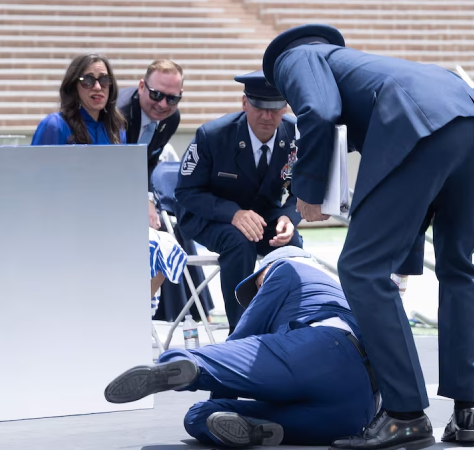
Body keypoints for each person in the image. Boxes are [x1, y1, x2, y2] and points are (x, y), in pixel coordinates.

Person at [262, 24, 474, 450]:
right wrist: (403, 259)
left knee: (359, 268)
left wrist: (307, 191)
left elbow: (317, 113)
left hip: (422, 124)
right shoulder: (361, 67)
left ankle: (405, 413)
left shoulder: (295, 58)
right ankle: (470, 412)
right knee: (458, 265)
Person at [104, 246, 378, 448]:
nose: (259, 292)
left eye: (259, 284)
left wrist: (217, 377)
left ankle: (185, 363)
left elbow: (244, 334)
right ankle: (258, 431)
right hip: (356, 410)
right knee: (199, 417)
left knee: (194, 364)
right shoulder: (346, 294)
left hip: (318, 349)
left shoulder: (288, 268)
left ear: (270, 268)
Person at [175, 70, 302, 334]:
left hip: (261, 213)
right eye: (258, 107)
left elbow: (302, 190)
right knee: (239, 241)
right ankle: (242, 331)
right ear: (245, 103)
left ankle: (288, 325)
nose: (267, 116)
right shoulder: (212, 136)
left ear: (285, 106)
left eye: (275, 108)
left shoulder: (295, 135)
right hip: (209, 215)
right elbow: (187, 192)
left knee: (291, 242)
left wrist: (289, 217)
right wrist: (233, 213)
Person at [117, 59, 184, 230]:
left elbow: (149, 161)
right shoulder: (118, 113)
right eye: (156, 94)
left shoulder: (171, 118)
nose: (162, 104)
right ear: (141, 87)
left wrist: (148, 198)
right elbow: (115, 166)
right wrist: (144, 200)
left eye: (172, 98)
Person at [31, 53, 125, 146]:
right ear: (74, 86)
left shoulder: (116, 129)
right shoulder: (55, 125)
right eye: (88, 80)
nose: (97, 87)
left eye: (104, 79)